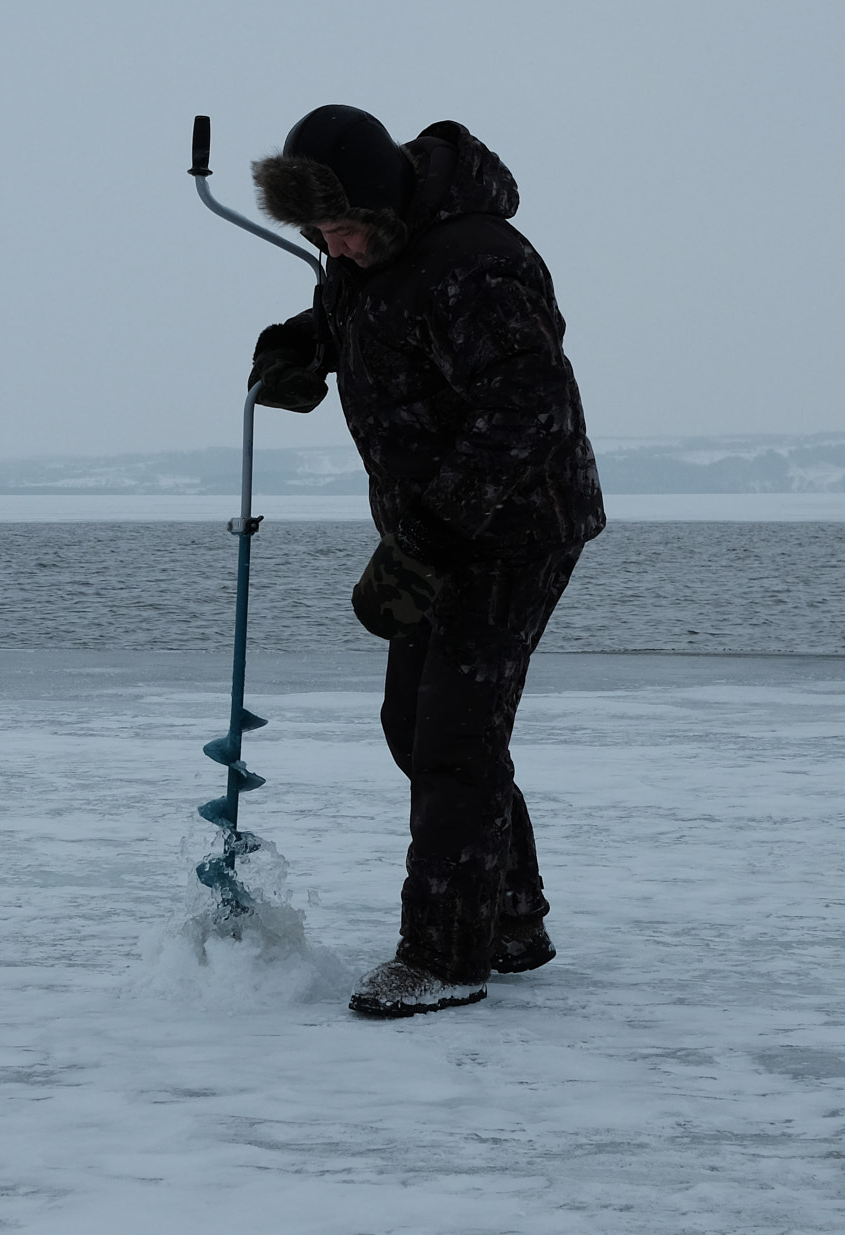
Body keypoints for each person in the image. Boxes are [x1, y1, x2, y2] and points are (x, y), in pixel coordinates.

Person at [248, 105, 605, 1018]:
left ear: (386, 202)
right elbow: (369, 308)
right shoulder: (374, 254)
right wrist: (305, 344)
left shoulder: (479, 261)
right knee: (420, 725)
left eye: (346, 230)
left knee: (452, 736)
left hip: (513, 527)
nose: (340, 249)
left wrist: (430, 542)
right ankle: (510, 917)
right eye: (322, 237)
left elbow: (530, 408)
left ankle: (446, 958)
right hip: (437, 528)